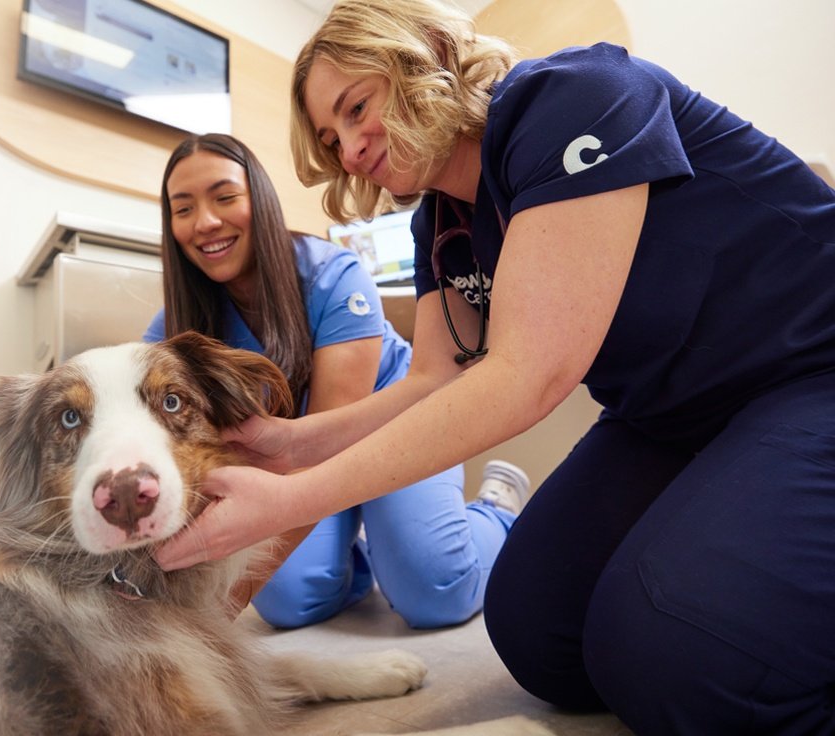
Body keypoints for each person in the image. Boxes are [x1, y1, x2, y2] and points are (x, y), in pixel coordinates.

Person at [152, 0, 835, 733]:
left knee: (681, 658)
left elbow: (524, 376)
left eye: (356, 108)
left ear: (434, 51)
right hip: (669, 417)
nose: (349, 151)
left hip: (806, 376)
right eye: (332, 137)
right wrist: (294, 445)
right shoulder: (438, 222)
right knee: (537, 633)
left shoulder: (576, 95)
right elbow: (435, 381)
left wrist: (291, 500)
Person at [143, 132, 530, 630]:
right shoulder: (174, 325)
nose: (207, 222)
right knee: (289, 599)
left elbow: (322, 449)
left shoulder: (331, 275)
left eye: (224, 197)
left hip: (384, 424)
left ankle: (496, 509)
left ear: (258, 199)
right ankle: (368, 558)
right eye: (183, 209)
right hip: (294, 457)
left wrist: (224, 606)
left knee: (434, 592)